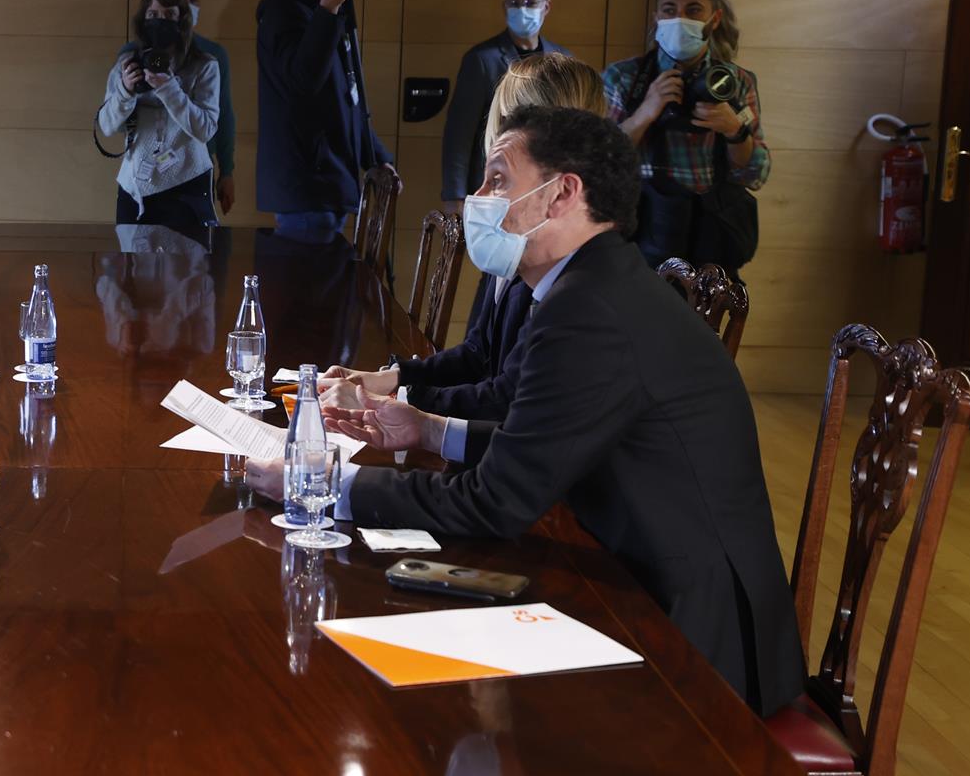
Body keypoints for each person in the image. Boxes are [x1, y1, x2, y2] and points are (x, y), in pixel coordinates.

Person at [256, 105, 804, 715]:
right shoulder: (595, 284)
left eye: (497, 179)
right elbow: (547, 449)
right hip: (647, 580)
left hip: (689, 636)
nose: (477, 198)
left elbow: (496, 501)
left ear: (562, 193)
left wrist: (326, 482)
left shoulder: (589, 309)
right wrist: (432, 432)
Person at [321, 53, 604, 421]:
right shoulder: (515, 220)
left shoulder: (566, 252)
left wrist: (393, 402)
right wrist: (389, 379)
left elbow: (507, 399)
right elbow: (477, 352)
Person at [602, 0, 768, 273]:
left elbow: (756, 174)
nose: (680, 19)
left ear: (713, 19)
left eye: (693, 10)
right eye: (669, 10)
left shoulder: (736, 82)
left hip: (710, 245)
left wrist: (734, 131)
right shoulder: (623, 77)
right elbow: (598, 163)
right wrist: (646, 112)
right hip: (639, 243)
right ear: (656, 18)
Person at [254, 0, 393, 241]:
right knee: (309, 288)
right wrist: (327, 10)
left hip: (330, 183)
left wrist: (376, 158)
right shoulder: (285, 9)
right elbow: (302, 83)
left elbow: (347, 95)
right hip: (306, 188)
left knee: (323, 286)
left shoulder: (330, 9)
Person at [440, 0, 571, 209]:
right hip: (494, 186)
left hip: (546, 185)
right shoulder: (481, 60)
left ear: (546, 6)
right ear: (504, 7)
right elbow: (459, 134)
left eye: (530, 3)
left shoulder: (562, 60)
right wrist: (455, 196)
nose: (522, 9)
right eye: (514, 3)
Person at [99, 0, 220, 230]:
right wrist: (125, 90)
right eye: (153, 14)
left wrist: (169, 88)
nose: (160, 21)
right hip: (135, 187)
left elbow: (206, 129)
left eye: (169, 15)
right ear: (142, 20)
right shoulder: (128, 64)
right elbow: (107, 126)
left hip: (187, 182)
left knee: (188, 267)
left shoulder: (203, 66)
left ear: (182, 21)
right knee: (133, 268)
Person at [162, 0, 238, 217]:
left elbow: (224, 115)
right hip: (151, 169)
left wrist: (227, 171)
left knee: (196, 252)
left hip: (199, 167)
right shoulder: (136, 53)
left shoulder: (213, 55)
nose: (187, 6)